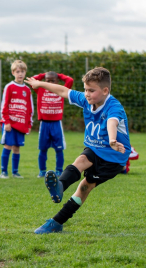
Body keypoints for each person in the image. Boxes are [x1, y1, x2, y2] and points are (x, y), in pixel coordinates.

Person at [25, 67, 131, 234]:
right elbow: (63, 90)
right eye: (85, 89)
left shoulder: (114, 107)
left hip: (113, 158)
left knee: (84, 187)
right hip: (95, 148)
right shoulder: (86, 100)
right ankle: (59, 188)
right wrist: (39, 83)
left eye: (91, 90)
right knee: (81, 160)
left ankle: (57, 221)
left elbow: (112, 122)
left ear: (105, 90)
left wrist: (112, 140)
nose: (86, 94)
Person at [31, 71, 74, 178]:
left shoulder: (60, 90)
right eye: (47, 80)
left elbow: (70, 80)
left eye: (53, 80)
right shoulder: (40, 89)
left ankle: (59, 170)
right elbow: (32, 79)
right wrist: (43, 74)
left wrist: (58, 75)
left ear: (57, 81)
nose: (50, 83)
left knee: (59, 149)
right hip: (44, 124)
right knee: (43, 149)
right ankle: (42, 171)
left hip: (56, 124)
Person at [0, 60, 33, 179]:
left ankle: (15, 171)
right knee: (8, 145)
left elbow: (30, 108)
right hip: (10, 124)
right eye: (18, 71)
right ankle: (3, 172)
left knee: (17, 147)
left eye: (22, 71)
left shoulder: (27, 90)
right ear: (13, 72)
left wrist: (29, 124)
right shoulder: (9, 87)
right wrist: (7, 121)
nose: (20, 74)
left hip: (21, 124)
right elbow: (4, 106)